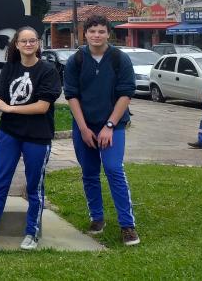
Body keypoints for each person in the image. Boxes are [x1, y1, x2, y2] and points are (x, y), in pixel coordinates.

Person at [0, 26, 60, 250]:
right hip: (9, 134)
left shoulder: (48, 70)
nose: (28, 44)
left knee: (34, 187)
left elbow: (43, 106)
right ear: (16, 45)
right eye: (23, 41)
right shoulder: (10, 68)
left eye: (32, 40)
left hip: (37, 137)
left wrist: (10, 108)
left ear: (38, 44)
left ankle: (31, 233)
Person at [64, 15, 140, 246]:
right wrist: (84, 128)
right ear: (84, 34)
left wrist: (109, 125)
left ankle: (127, 225)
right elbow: (71, 95)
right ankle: (96, 218)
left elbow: (125, 93)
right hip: (84, 126)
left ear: (109, 34)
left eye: (101, 31)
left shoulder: (119, 59)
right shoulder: (76, 60)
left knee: (114, 169)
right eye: (92, 31)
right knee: (89, 172)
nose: (97, 35)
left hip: (113, 126)